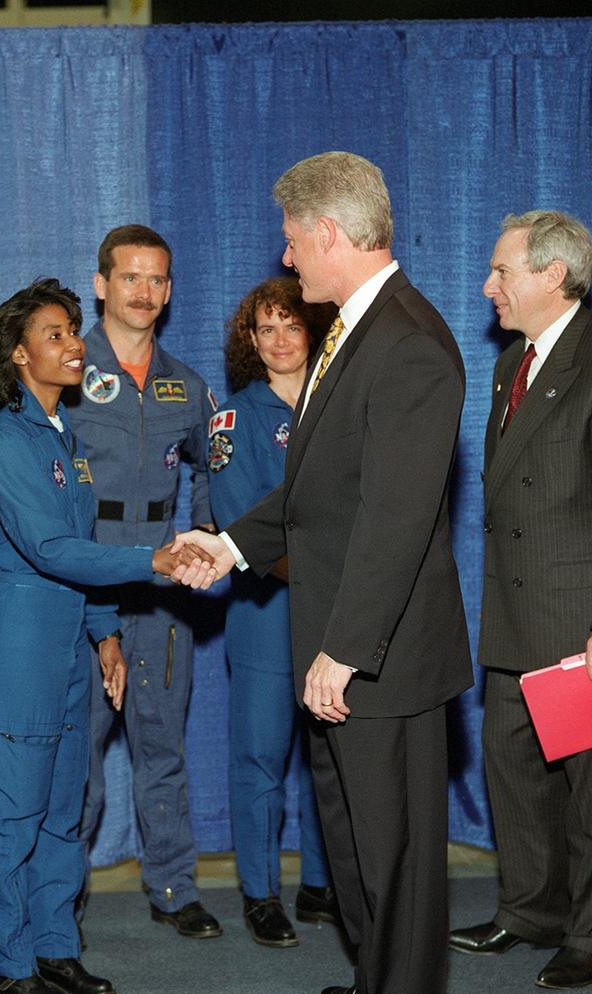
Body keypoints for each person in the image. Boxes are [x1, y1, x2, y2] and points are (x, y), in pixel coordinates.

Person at [175, 152, 472, 994]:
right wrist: (227, 547)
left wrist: (345, 649)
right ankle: (380, 977)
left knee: (396, 843)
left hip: (379, 650)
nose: (288, 258)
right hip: (339, 638)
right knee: (350, 835)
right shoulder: (355, 328)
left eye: (295, 240)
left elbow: (395, 516)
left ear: (334, 236)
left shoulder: (411, 342)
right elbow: (317, 495)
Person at [0, 280, 211, 994]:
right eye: (55, 335)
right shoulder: (4, 441)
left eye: (74, 331)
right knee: (11, 807)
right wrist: (152, 561)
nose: (74, 345)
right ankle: (9, 964)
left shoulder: (62, 434)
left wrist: (105, 632)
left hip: (70, 632)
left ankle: (54, 944)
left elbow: (84, 548)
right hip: (20, 634)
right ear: (17, 354)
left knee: (63, 805)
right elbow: (51, 547)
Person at [448, 211, 592, 989]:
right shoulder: (515, 362)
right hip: (517, 614)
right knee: (511, 770)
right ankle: (529, 909)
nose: (488, 286)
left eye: (501, 271)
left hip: (588, 623)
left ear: (553, 274)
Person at [64, 224, 221, 939]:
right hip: (82, 587)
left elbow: (213, 466)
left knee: (162, 745)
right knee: (77, 752)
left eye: (158, 280)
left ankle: (173, 884)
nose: (144, 292)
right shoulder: (63, 372)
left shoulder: (184, 385)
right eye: (130, 277)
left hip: (159, 594)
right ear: (100, 284)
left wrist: (202, 539)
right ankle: (58, 894)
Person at [212, 278, 337, 948]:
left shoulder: (339, 409)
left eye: (293, 326)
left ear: (313, 334)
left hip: (335, 612)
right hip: (267, 609)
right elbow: (238, 526)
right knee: (260, 755)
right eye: (268, 329)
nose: (282, 340)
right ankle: (260, 891)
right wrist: (322, 573)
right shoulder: (234, 419)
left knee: (330, 749)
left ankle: (322, 880)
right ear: (250, 342)